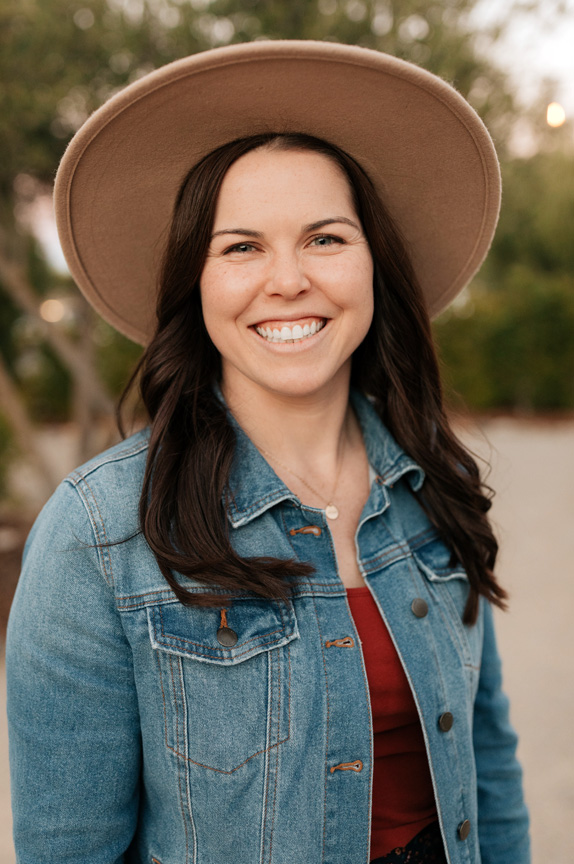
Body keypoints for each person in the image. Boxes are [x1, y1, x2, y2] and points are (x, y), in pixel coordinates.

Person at [7, 41, 530, 864]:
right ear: (197, 282)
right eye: (241, 246)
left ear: (373, 265)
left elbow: (488, 762)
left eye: (325, 238)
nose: (287, 280)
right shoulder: (98, 535)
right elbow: (67, 846)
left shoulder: (435, 483)